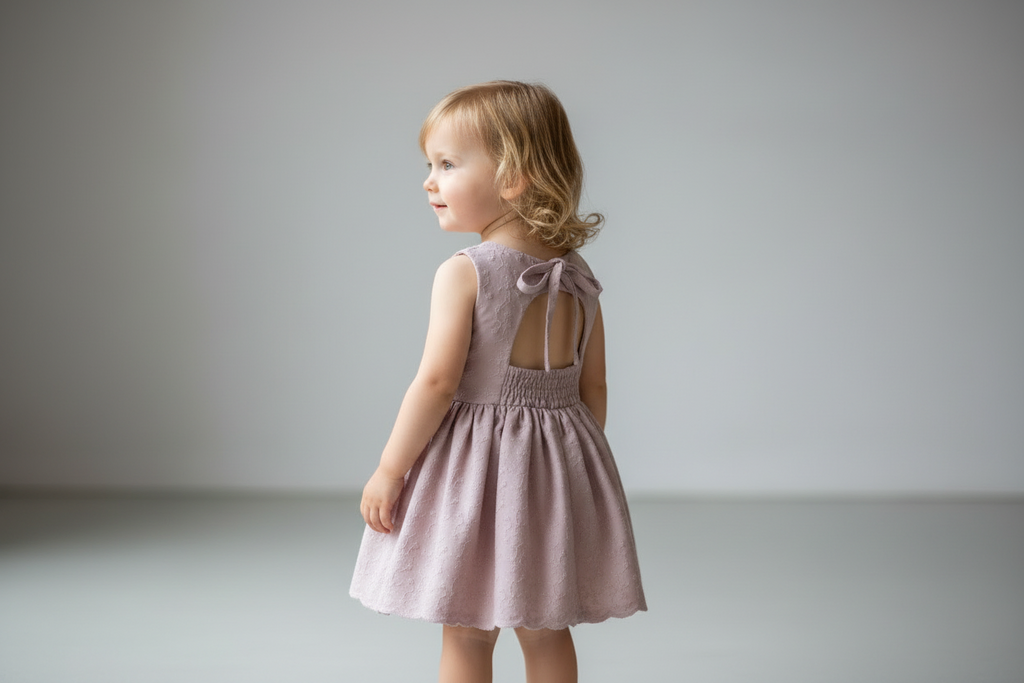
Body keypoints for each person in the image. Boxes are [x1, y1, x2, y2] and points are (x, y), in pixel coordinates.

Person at [350, 80, 646, 683]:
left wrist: (390, 469)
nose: (429, 181)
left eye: (448, 164)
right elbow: (596, 388)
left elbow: (436, 384)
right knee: (544, 626)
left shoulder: (469, 273)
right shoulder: (578, 273)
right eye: (430, 164)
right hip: (558, 466)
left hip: (476, 470)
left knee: (466, 629)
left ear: (514, 177)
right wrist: (574, 467)